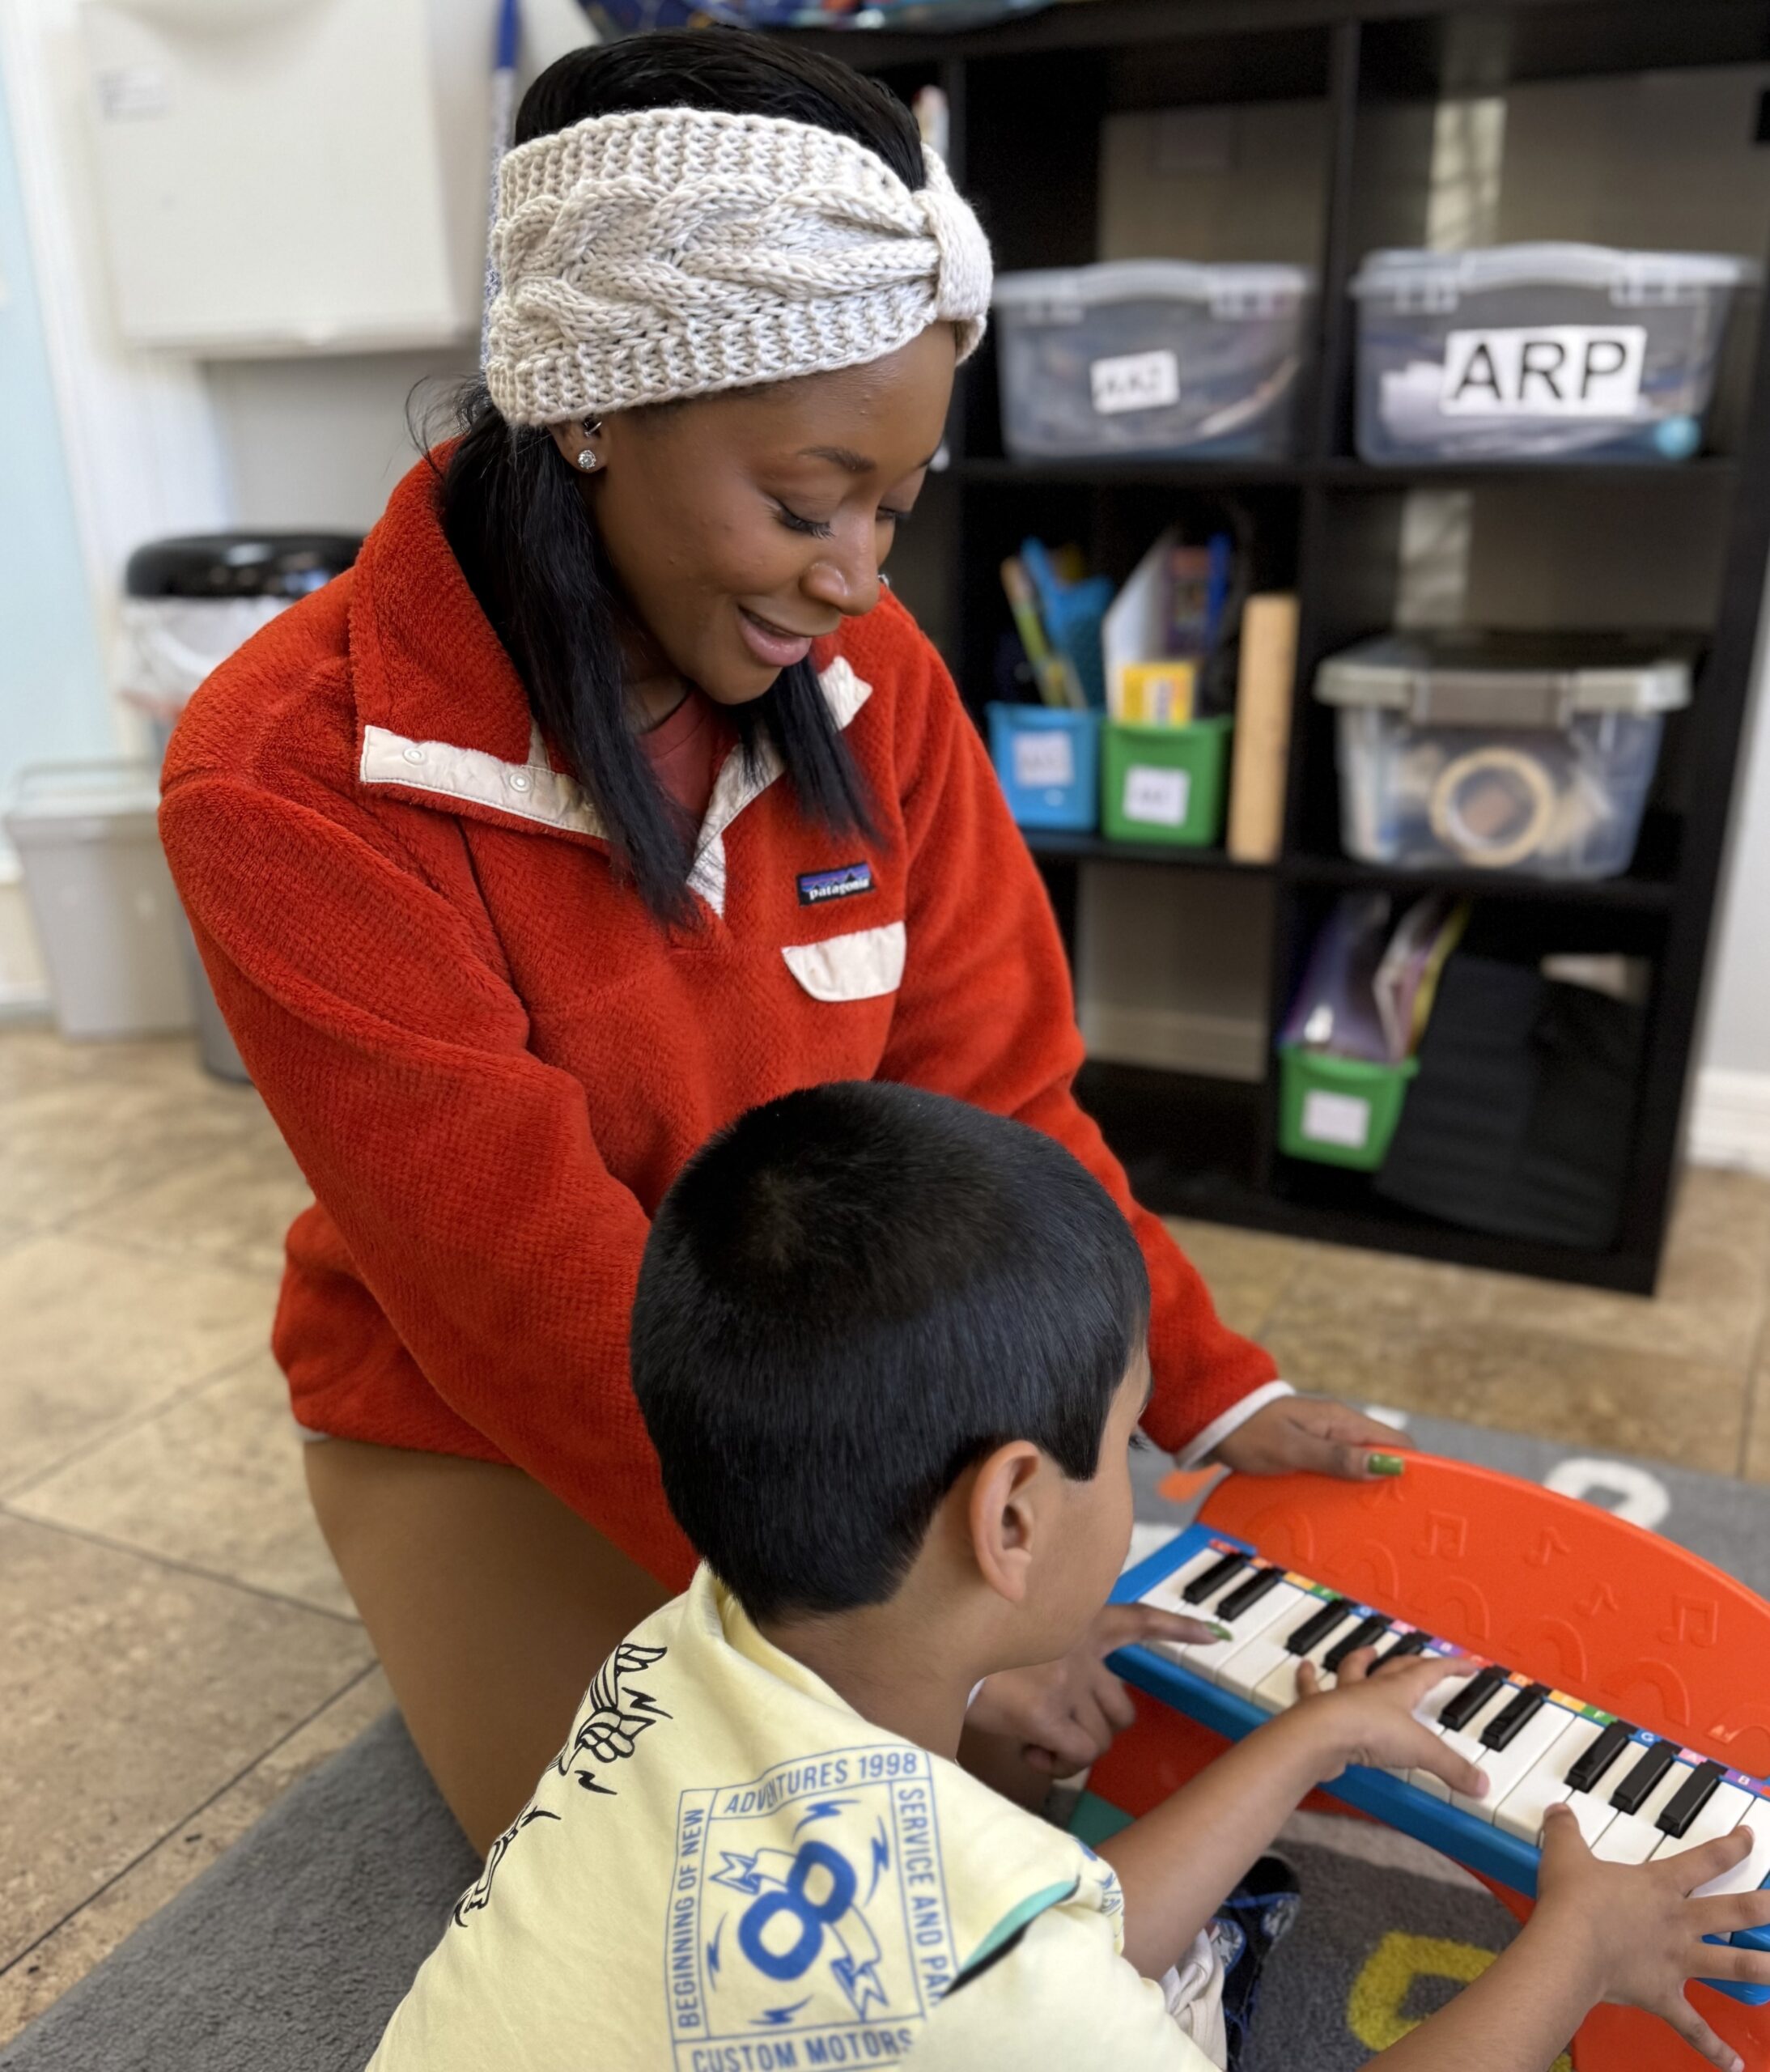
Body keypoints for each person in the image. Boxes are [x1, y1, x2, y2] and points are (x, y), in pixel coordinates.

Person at [160, 28, 1406, 1859]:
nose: (856, 578)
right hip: (494, 1403)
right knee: (743, 1885)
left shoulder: (870, 677)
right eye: (809, 504)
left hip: (833, 1363)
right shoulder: (285, 771)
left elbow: (998, 1102)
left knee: (1034, 1762)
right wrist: (903, 1643)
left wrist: (1213, 1383)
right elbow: (523, 1280)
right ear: (591, 407)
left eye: (895, 507)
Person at [367, 1081, 1770, 2072]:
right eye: (1129, 1437)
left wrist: (1313, 1736)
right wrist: (1576, 1951)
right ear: (1015, 1518)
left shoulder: (686, 1644)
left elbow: (1049, 1917)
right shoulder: (1000, 1994)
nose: (1143, 1472)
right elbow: (1024, 1975)